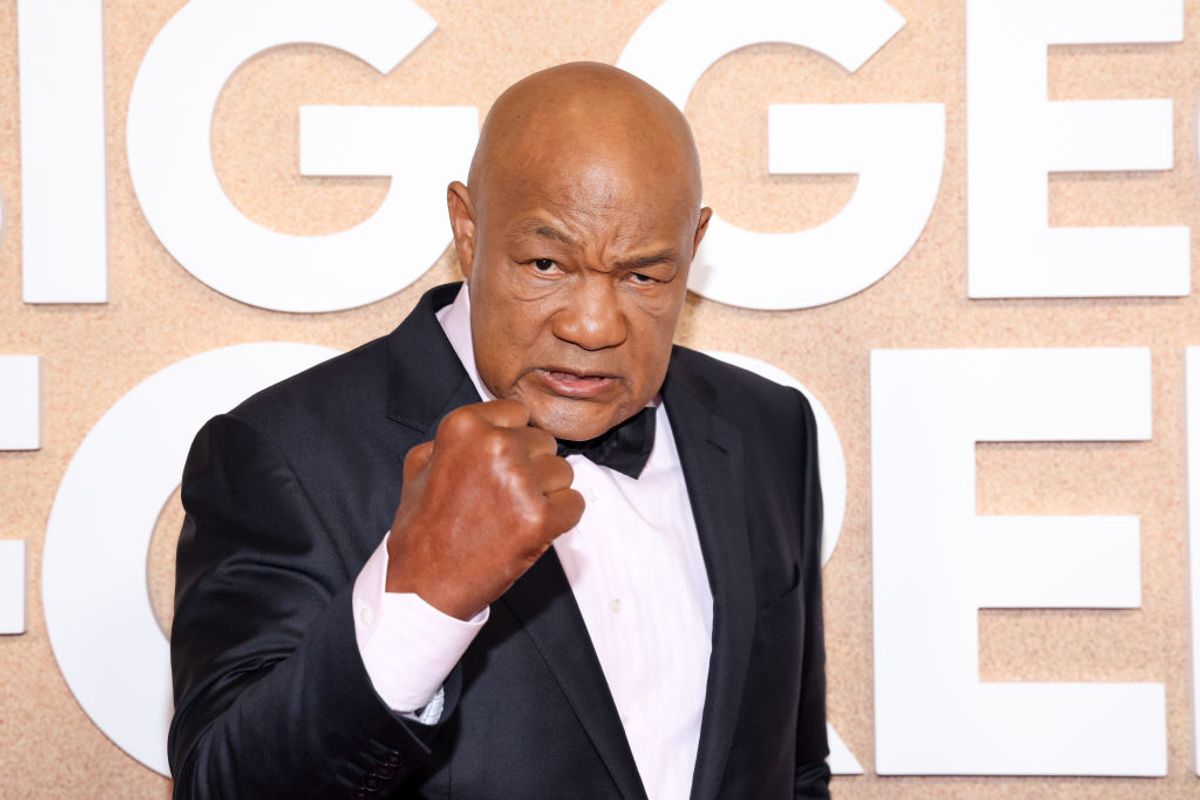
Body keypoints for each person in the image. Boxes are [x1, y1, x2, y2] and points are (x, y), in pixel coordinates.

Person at [168, 61, 830, 799]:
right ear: (468, 229)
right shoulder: (283, 455)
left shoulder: (771, 429)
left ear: (693, 244)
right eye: (546, 263)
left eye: (644, 276)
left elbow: (793, 769)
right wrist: (420, 601)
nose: (591, 326)